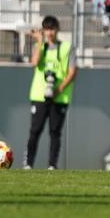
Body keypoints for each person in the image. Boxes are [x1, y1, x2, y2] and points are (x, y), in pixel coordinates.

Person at [25, 16, 77, 170]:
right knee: (35, 130)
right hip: (39, 96)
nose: (49, 33)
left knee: (55, 132)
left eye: (52, 29)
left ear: (57, 29)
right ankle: (28, 164)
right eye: (47, 29)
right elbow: (34, 63)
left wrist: (58, 90)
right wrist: (40, 41)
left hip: (59, 96)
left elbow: (72, 72)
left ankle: (52, 165)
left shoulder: (67, 47)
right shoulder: (40, 46)